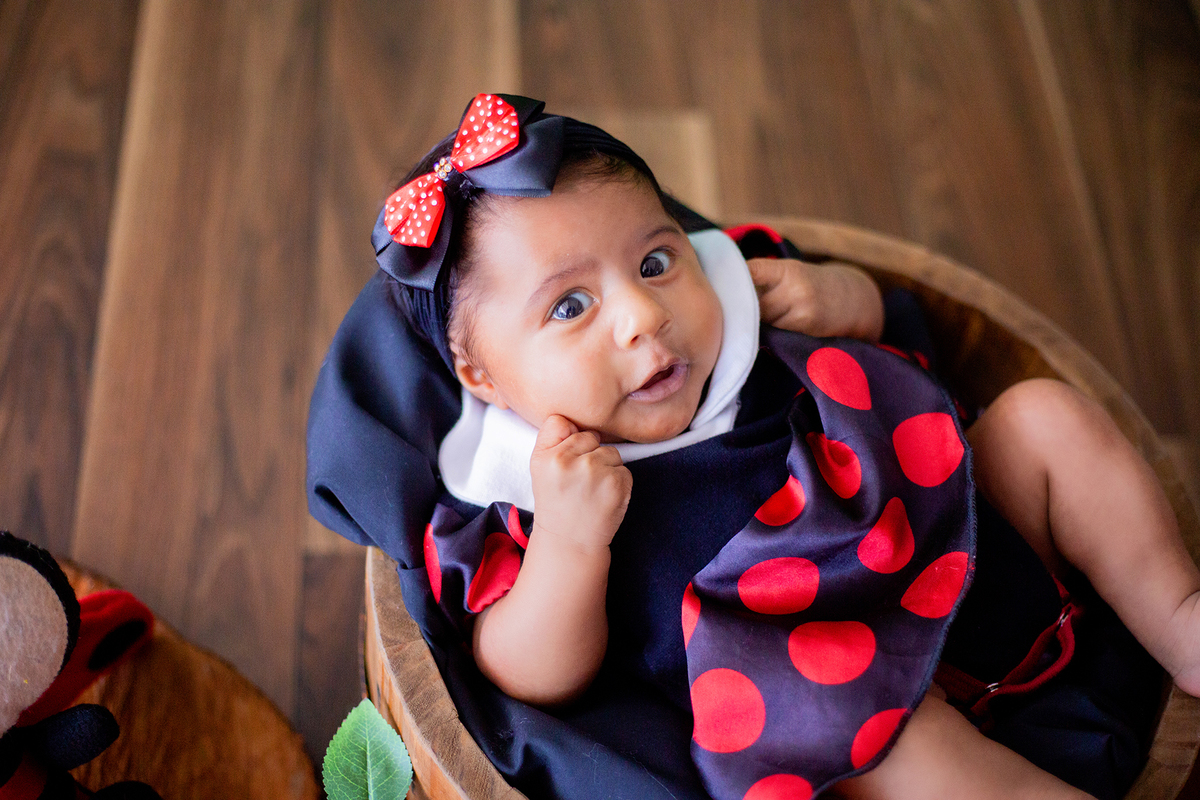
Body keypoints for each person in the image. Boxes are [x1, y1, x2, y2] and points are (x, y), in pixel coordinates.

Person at [307, 94, 1196, 800]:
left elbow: (900, 348)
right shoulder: (520, 496)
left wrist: (846, 297)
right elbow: (524, 677)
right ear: (486, 376)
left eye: (656, 262)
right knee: (895, 742)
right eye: (570, 307)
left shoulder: (749, 306)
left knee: (1041, 417)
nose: (644, 315)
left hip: (960, 547)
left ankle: (1181, 615)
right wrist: (570, 551)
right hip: (842, 701)